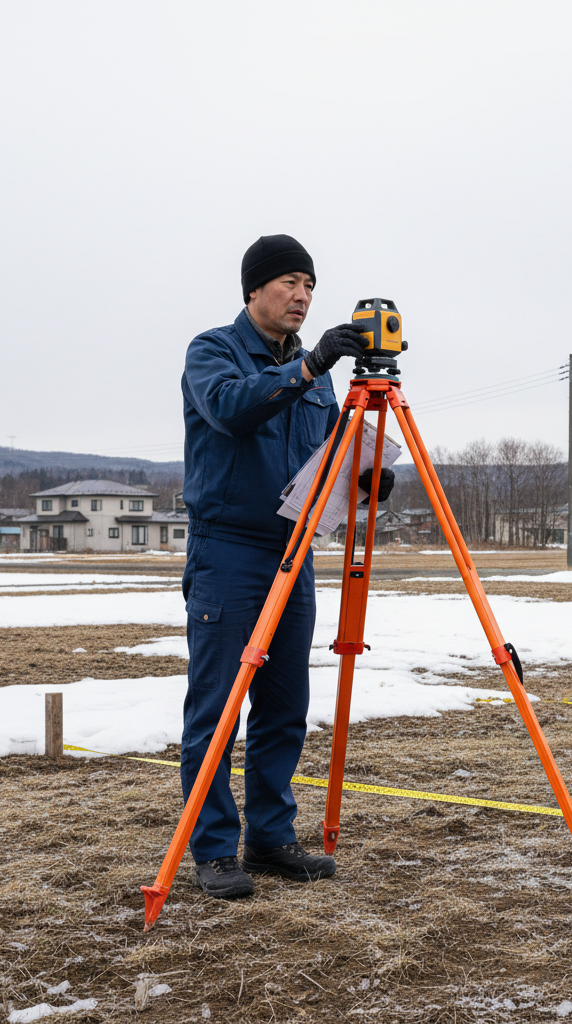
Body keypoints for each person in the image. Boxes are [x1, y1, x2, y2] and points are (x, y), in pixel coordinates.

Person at [180, 234, 390, 899]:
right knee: (219, 708)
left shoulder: (316, 372)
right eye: (289, 282)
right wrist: (306, 369)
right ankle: (213, 851)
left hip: (292, 552)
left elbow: (323, 457)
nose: (301, 296)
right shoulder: (212, 351)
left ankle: (270, 838)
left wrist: (364, 478)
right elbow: (233, 411)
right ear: (254, 289)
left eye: (310, 286)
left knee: (283, 705)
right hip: (229, 551)